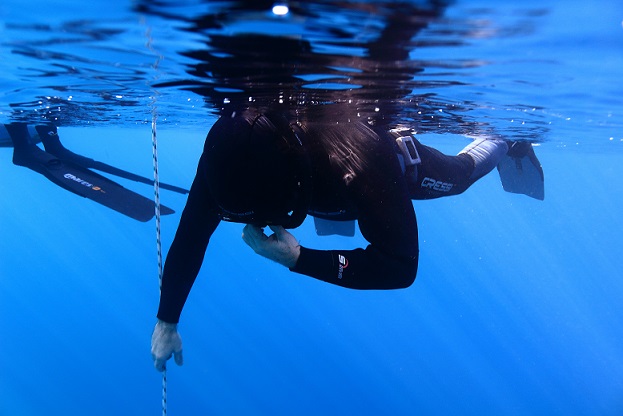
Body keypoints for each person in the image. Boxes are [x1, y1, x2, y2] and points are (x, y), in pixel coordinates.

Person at [150, 106, 544, 371]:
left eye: (277, 216)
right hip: (316, 177)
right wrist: (167, 322)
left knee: (456, 177)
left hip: (377, 165)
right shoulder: (227, 158)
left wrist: (300, 259)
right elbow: (190, 237)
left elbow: (401, 265)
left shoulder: (361, 160)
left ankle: (505, 139)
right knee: (335, 212)